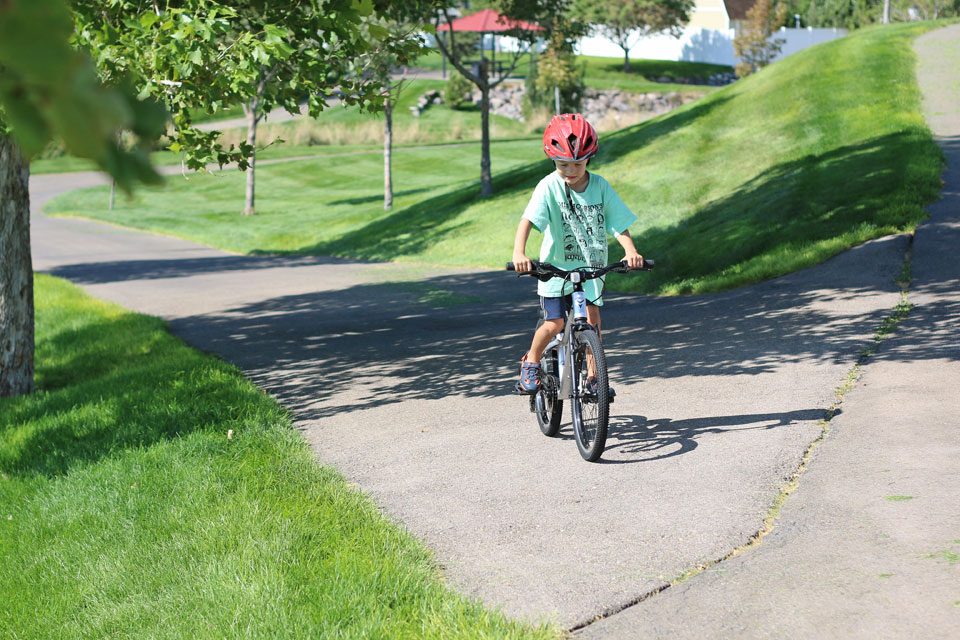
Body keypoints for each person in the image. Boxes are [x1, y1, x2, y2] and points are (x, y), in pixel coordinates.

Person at [512, 113, 644, 394]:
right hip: (555, 272)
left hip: (590, 272)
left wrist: (630, 250)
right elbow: (528, 221)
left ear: (589, 159)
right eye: (563, 165)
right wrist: (519, 253)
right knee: (554, 322)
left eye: (577, 164)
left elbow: (618, 223)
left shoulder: (600, 187)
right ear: (553, 161)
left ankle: (595, 379)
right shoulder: (548, 186)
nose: (570, 170)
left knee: (592, 325)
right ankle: (532, 362)